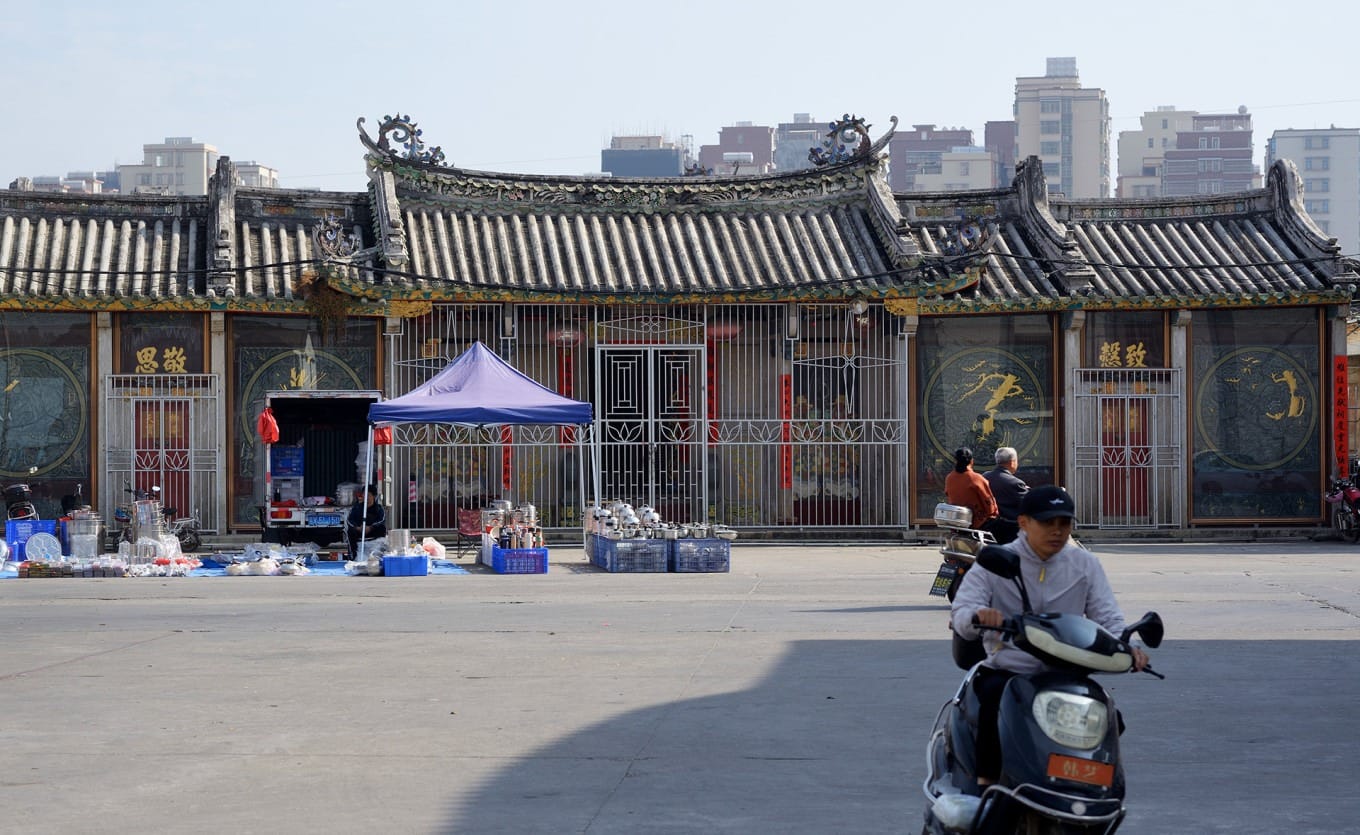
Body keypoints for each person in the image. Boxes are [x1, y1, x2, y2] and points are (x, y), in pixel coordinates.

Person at [950, 485, 1148, 785]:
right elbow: (963, 610)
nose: (1057, 531)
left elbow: (1108, 617)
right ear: (1024, 522)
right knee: (990, 704)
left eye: (1064, 523)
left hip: (1066, 671)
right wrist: (978, 615)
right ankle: (985, 789)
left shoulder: (1085, 564)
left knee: (1108, 718)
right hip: (1010, 669)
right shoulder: (996, 560)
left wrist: (1130, 646)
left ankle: (1094, 789)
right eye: (1047, 523)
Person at [944, 447, 999, 534]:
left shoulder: (949, 478)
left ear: (956, 461)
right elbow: (990, 505)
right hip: (977, 524)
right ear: (971, 461)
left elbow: (948, 495)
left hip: (957, 523)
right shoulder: (976, 478)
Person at [982, 447, 1029, 544]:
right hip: (1011, 532)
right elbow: (1030, 503)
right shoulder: (1015, 483)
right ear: (1012, 462)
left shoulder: (985, 477)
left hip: (988, 530)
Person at [346, 484, 387, 560]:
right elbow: (349, 520)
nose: (366, 497)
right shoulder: (356, 508)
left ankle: (378, 555)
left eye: (368, 495)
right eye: (364, 495)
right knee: (350, 531)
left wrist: (370, 528)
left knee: (382, 528)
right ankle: (353, 556)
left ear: (374, 496)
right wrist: (357, 528)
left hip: (373, 534)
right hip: (360, 533)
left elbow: (381, 520)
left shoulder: (379, 508)